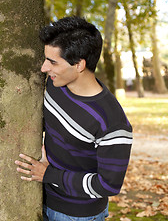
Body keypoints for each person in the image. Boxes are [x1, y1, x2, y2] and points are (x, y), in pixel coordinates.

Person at [15, 16, 133, 220]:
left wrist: (50, 175)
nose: (44, 68)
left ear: (79, 65)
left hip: (78, 214)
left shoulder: (112, 122)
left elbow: (108, 185)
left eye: (52, 62)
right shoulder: (55, 84)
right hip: (39, 198)